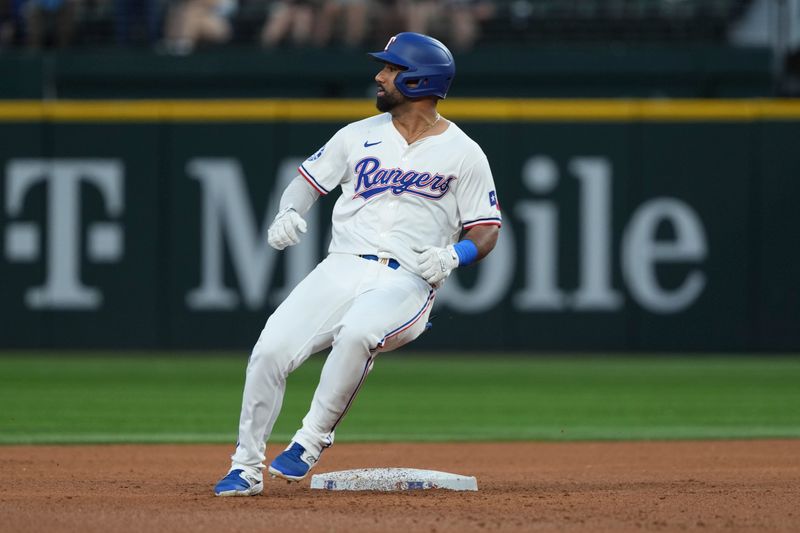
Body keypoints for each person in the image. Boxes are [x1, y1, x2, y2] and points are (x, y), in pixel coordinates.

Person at [213, 31, 502, 497]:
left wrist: (455, 254)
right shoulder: (356, 136)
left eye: (391, 69)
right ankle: (245, 466)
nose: (379, 75)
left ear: (419, 80)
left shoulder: (464, 152)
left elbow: (485, 230)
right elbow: (305, 184)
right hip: (341, 266)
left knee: (358, 333)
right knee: (269, 350)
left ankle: (310, 439)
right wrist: (290, 211)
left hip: (405, 280)